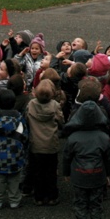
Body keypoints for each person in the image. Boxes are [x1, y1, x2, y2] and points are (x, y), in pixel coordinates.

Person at [63, 97, 110, 219]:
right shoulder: (103, 137)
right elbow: (108, 158)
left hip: (79, 175)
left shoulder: (73, 138)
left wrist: (66, 173)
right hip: (98, 174)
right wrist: (108, 174)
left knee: (80, 203)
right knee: (96, 205)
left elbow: (66, 157)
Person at [0, 89, 29, 209]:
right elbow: (25, 136)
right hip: (15, 156)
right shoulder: (18, 118)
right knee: (14, 180)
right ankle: (14, 200)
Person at [26, 78, 64, 206]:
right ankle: (52, 196)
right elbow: (61, 121)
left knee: (38, 172)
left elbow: (26, 119)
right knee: (51, 171)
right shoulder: (55, 105)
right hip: (51, 144)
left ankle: (39, 197)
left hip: (35, 144)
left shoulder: (31, 104)